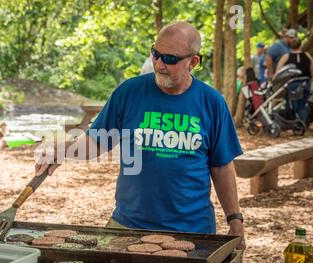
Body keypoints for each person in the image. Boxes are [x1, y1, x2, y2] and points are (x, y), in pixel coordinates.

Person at [35, 21, 246, 250]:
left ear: (193, 62)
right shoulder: (129, 92)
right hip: (127, 226)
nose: (159, 64)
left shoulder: (211, 102)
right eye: (155, 53)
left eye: (170, 59)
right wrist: (63, 149)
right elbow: (96, 142)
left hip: (192, 231)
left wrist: (234, 219)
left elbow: (222, 166)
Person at [276, 37, 313, 126]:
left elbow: (278, 71)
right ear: (300, 45)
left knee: (292, 104)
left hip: (292, 84)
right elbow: (312, 70)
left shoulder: (286, 56)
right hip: (305, 82)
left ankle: (294, 123)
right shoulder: (307, 55)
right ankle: (302, 124)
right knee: (303, 103)